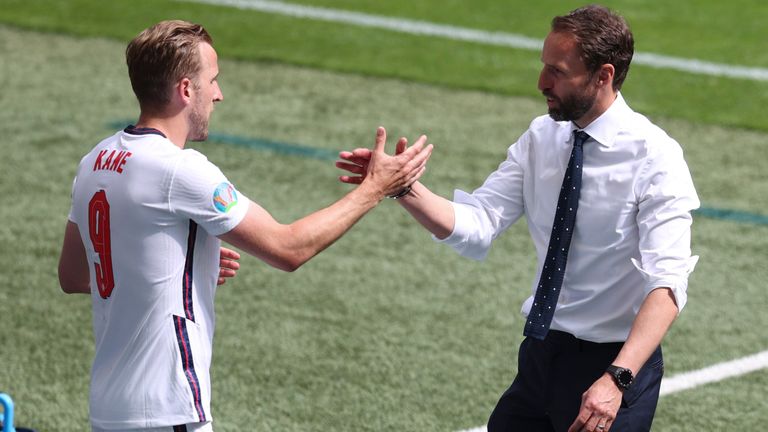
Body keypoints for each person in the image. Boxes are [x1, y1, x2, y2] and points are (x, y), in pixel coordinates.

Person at [337, 5, 699, 432]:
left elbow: (668, 284)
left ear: (603, 76)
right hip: (541, 354)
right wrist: (399, 187)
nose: (542, 82)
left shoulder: (656, 157)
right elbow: (479, 223)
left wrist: (617, 378)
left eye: (558, 72)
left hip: (614, 366)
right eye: (544, 66)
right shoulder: (541, 138)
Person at [57, 20, 432, 432]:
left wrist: (166, 269)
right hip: (168, 409)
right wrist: (376, 188)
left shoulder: (94, 159)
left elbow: (74, 274)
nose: (218, 94)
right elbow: (288, 249)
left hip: (109, 411)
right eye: (212, 81)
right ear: (186, 89)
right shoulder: (180, 170)